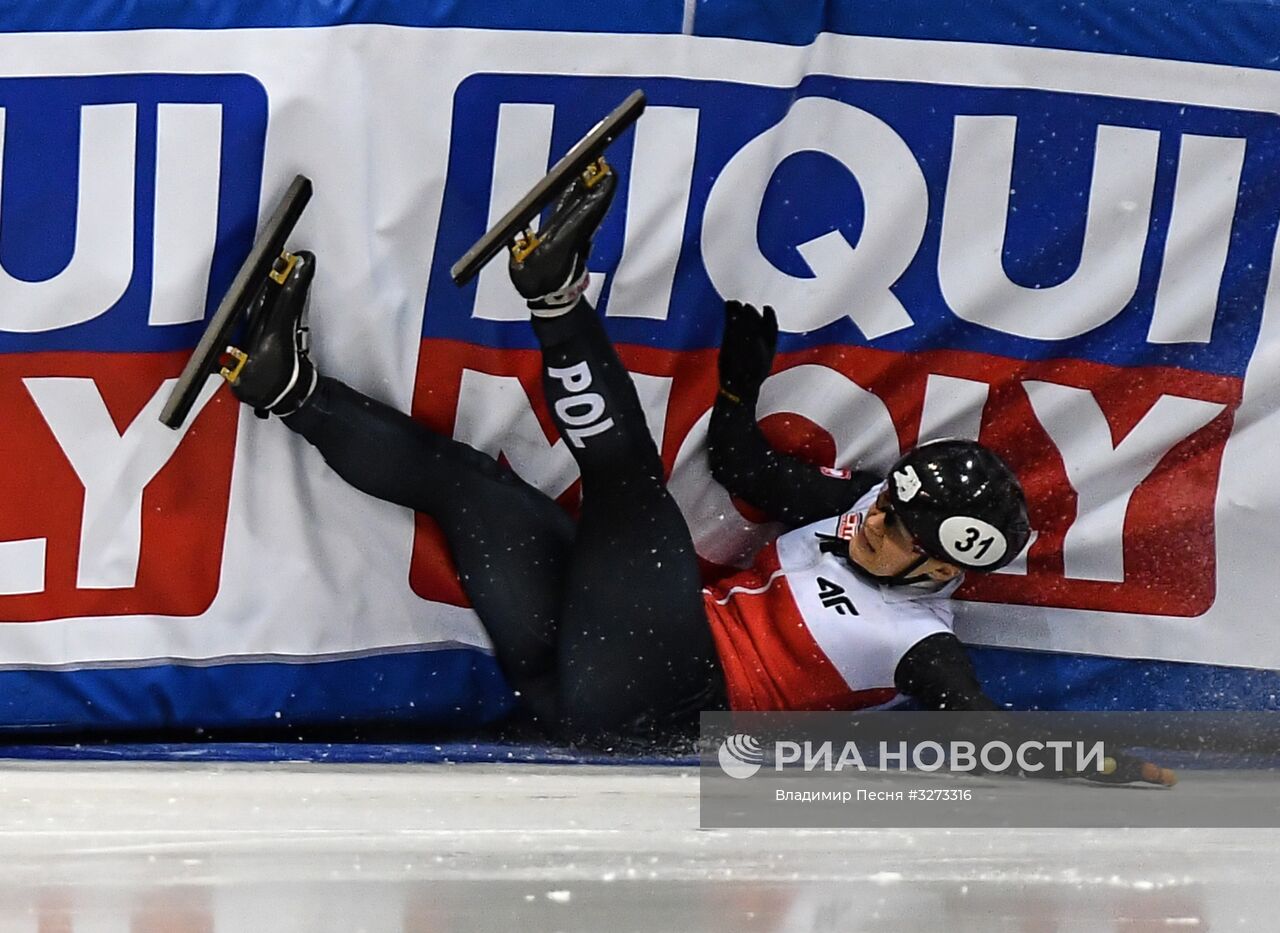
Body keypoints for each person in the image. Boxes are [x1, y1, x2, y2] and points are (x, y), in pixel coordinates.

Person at [224, 163, 1172, 785]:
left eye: (893, 533)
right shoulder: (860, 512)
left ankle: (553, 292)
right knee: (475, 488)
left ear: (939, 572)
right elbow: (747, 467)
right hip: (587, 679)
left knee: (632, 490)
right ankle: (283, 385)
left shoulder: (917, 638)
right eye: (884, 501)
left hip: (662, 707)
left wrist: (1097, 764)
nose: (868, 522)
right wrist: (743, 384)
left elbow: (975, 723)